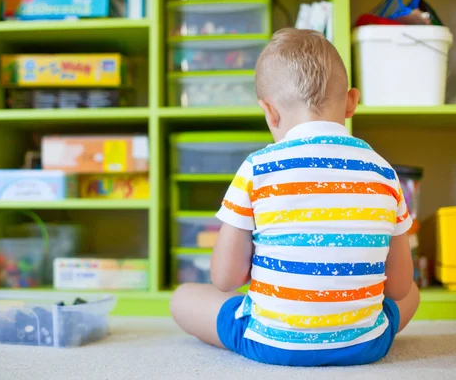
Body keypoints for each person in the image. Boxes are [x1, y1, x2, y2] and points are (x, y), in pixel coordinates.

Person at [170, 28, 420, 367]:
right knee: (414, 296)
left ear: (269, 112)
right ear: (351, 102)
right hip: (365, 343)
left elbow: (225, 279)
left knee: (183, 298)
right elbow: (400, 287)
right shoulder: (384, 172)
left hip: (271, 343)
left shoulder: (257, 168)